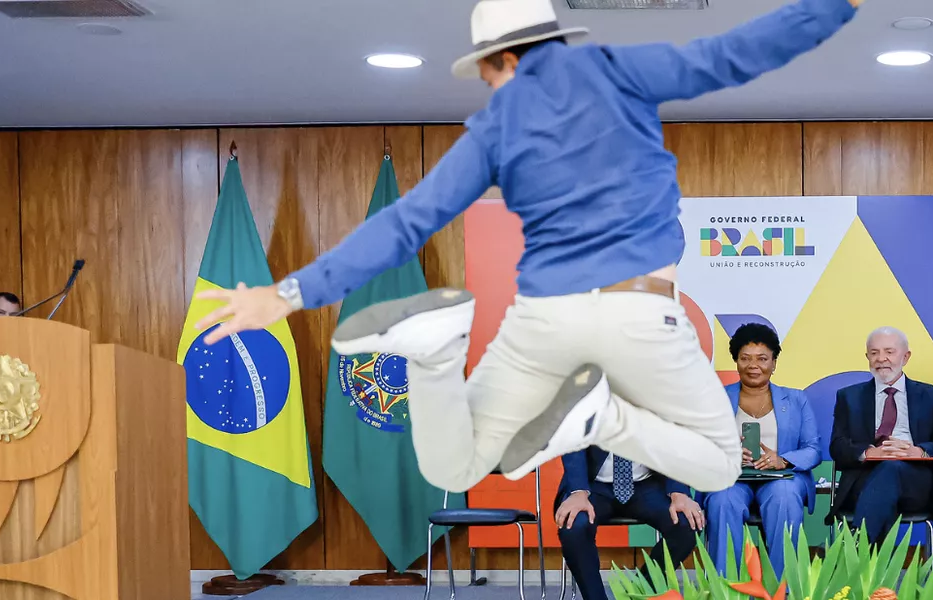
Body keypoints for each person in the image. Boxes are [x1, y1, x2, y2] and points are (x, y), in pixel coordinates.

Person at [191, 0, 866, 494]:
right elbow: (734, 53)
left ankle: (433, 352)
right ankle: (600, 415)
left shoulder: (495, 126)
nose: (488, 87)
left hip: (543, 317)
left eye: (486, 73)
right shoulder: (620, 70)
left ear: (504, 60)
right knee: (720, 464)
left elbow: (407, 221)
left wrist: (287, 294)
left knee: (452, 468)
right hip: (641, 311)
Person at [701, 323, 819, 576]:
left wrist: (783, 459)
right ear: (736, 362)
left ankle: (782, 588)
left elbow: (812, 449)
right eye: (745, 358)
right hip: (732, 478)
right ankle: (726, 589)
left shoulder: (797, 400)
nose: (754, 365)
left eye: (762, 359)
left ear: (774, 363)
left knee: (784, 497)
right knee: (722, 500)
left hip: (782, 478)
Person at [828, 326, 933, 543]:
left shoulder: (930, 396)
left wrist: (919, 452)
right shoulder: (849, 396)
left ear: (906, 357)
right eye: (874, 353)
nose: (881, 359)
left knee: (892, 467)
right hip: (863, 480)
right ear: (867, 357)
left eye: (889, 352)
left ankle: (856, 548)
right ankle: (869, 560)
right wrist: (868, 453)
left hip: (915, 483)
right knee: (885, 474)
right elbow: (837, 446)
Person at [554, 445, 702, 600]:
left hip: (647, 484)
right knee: (574, 525)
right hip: (592, 485)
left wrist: (678, 492)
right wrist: (578, 491)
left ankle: (640, 590)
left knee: (688, 522)